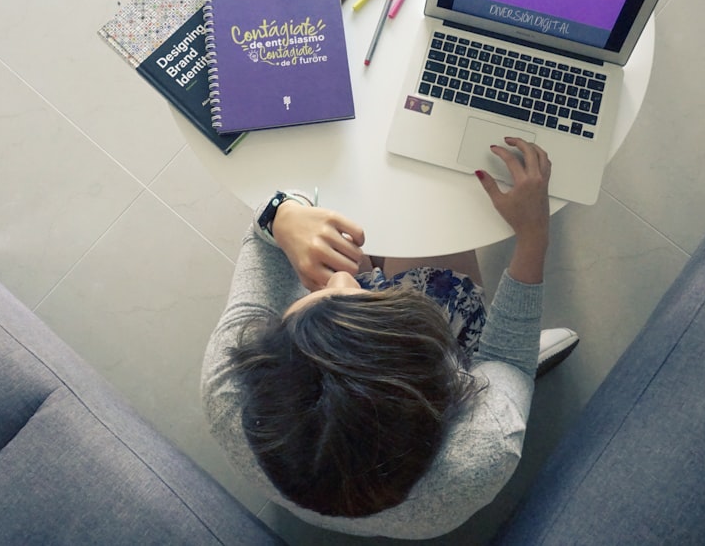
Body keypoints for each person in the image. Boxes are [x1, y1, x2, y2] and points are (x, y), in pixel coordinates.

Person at [201, 137, 578, 539]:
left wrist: (285, 213)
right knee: (429, 226)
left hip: (330, 469)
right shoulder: (483, 450)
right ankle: (485, 376)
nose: (348, 276)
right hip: (448, 414)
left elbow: (264, 233)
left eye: (313, 301)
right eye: (362, 294)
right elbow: (508, 359)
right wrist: (533, 233)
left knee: (337, 237)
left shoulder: (233, 381)